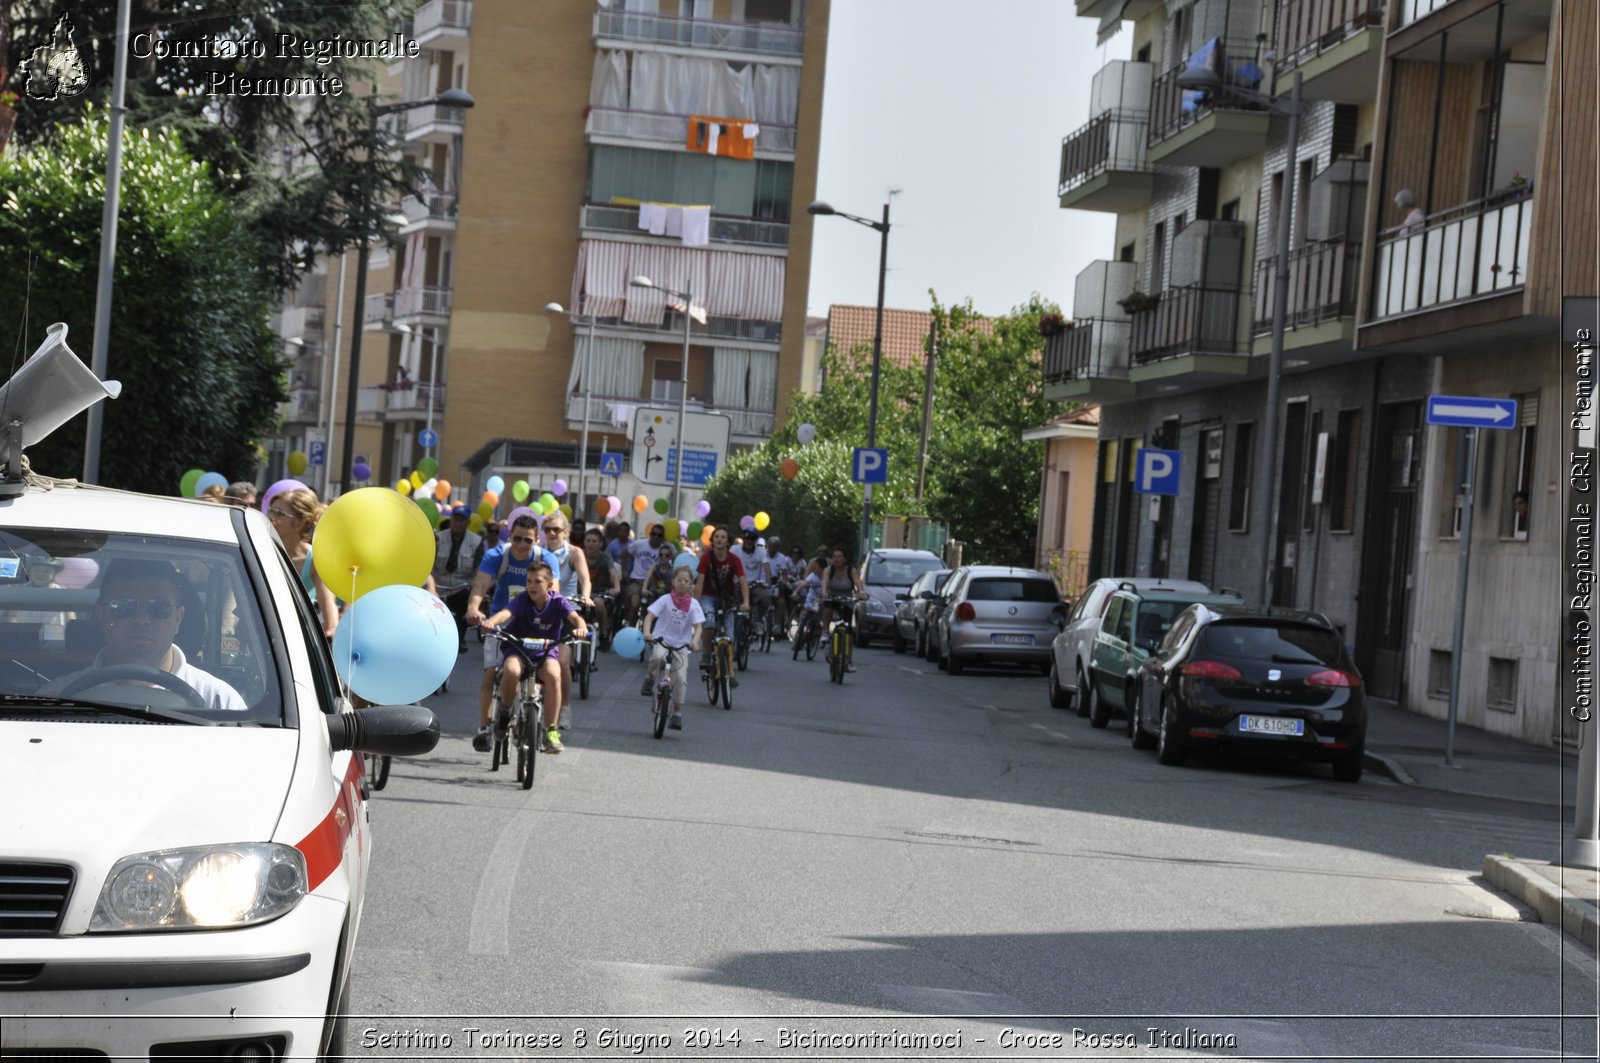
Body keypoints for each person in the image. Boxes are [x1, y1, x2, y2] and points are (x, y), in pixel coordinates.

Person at [40, 558, 247, 712]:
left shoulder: (221, 701)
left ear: (179, 618)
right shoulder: (54, 698)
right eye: (123, 607)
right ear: (101, 616)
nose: (142, 619)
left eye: (159, 608)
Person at [465, 514, 562, 752]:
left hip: (535, 627)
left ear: (536, 540)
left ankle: (548, 727)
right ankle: (486, 728)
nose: (521, 545)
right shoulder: (497, 556)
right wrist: (474, 608)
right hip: (501, 622)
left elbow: (555, 593)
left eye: (527, 541)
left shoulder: (546, 559)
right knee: (490, 673)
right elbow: (481, 585)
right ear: (509, 536)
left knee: (551, 673)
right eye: (517, 538)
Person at [480, 561, 586, 755]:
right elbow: (506, 613)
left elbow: (575, 617)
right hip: (518, 648)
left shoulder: (558, 601)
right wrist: (491, 622)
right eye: (529, 581)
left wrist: (581, 627)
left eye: (538, 582)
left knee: (554, 675)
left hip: (545, 652)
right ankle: (504, 712)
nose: (532, 586)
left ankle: (551, 732)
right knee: (511, 671)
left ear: (550, 585)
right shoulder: (522, 599)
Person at [267, 487, 340, 639]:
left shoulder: (315, 560)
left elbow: (329, 608)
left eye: (279, 513)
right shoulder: (259, 548)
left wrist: (331, 630)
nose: (271, 517)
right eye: (271, 510)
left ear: (299, 524)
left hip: (296, 637)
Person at [540, 511, 591, 723]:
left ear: (565, 532)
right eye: (547, 529)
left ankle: (566, 707)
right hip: (543, 611)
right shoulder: (539, 553)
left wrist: (585, 597)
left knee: (562, 661)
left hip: (566, 611)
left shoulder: (574, 553)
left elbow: (584, 579)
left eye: (556, 529)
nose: (552, 533)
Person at [639, 564, 704, 731]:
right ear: (673, 582)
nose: (682, 583)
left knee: (680, 679)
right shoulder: (665, 600)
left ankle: (677, 714)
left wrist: (695, 641)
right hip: (663, 639)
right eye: (679, 580)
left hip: (682, 645)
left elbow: (698, 627)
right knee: (658, 657)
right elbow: (649, 617)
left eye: (686, 581)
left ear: (691, 585)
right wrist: (648, 633)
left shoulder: (694, 604)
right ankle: (650, 678)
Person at [694, 526, 748, 680]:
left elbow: (743, 582)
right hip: (708, 596)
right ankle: (706, 655)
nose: (719, 539)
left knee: (729, 637)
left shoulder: (734, 559)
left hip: (727, 599)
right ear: (712, 540)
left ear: (728, 541)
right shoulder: (706, 557)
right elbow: (699, 582)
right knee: (709, 621)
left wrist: (746, 602)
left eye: (723, 537)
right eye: (716, 536)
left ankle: (729, 674)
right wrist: (695, 605)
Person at [433, 505, 483, 654]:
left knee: (464, 609)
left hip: (461, 586)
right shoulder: (438, 538)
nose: (457, 524)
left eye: (462, 521)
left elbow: (479, 568)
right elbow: (428, 564)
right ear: (450, 520)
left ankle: (458, 640)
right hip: (438, 586)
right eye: (455, 520)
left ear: (468, 522)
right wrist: (431, 587)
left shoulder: (476, 541)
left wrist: (475, 582)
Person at [820, 545, 865, 673]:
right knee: (827, 607)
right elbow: (825, 581)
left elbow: (858, 583)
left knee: (848, 631)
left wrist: (861, 593)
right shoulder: (829, 569)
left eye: (840, 556)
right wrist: (824, 592)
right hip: (831, 597)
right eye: (834, 556)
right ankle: (824, 632)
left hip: (846, 600)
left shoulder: (851, 570)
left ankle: (848, 660)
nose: (837, 559)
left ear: (845, 559)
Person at [582, 526, 621, 649]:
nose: (591, 544)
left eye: (594, 541)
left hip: (600, 592)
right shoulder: (579, 555)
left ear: (600, 544)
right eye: (588, 541)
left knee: (598, 603)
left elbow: (613, 574)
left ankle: (603, 633)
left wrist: (617, 587)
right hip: (581, 592)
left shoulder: (606, 557)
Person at [621, 523, 667, 627]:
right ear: (650, 534)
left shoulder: (663, 551)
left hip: (653, 583)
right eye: (653, 534)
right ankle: (630, 628)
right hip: (636, 580)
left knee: (653, 609)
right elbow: (625, 553)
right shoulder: (639, 544)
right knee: (635, 604)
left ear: (662, 538)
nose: (655, 537)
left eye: (659, 535)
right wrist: (624, 571)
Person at [729, 528, 773, 636]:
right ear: (743, 538)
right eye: (747, 538)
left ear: (756, 540)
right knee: (728, 602)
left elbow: (766, 567)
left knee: (765, 599)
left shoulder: (761, 551)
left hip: (754, 584)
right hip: (737, 584)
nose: (749, 541)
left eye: (752, 538)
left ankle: (758, 620)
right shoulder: (734, 549)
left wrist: (768, 582)